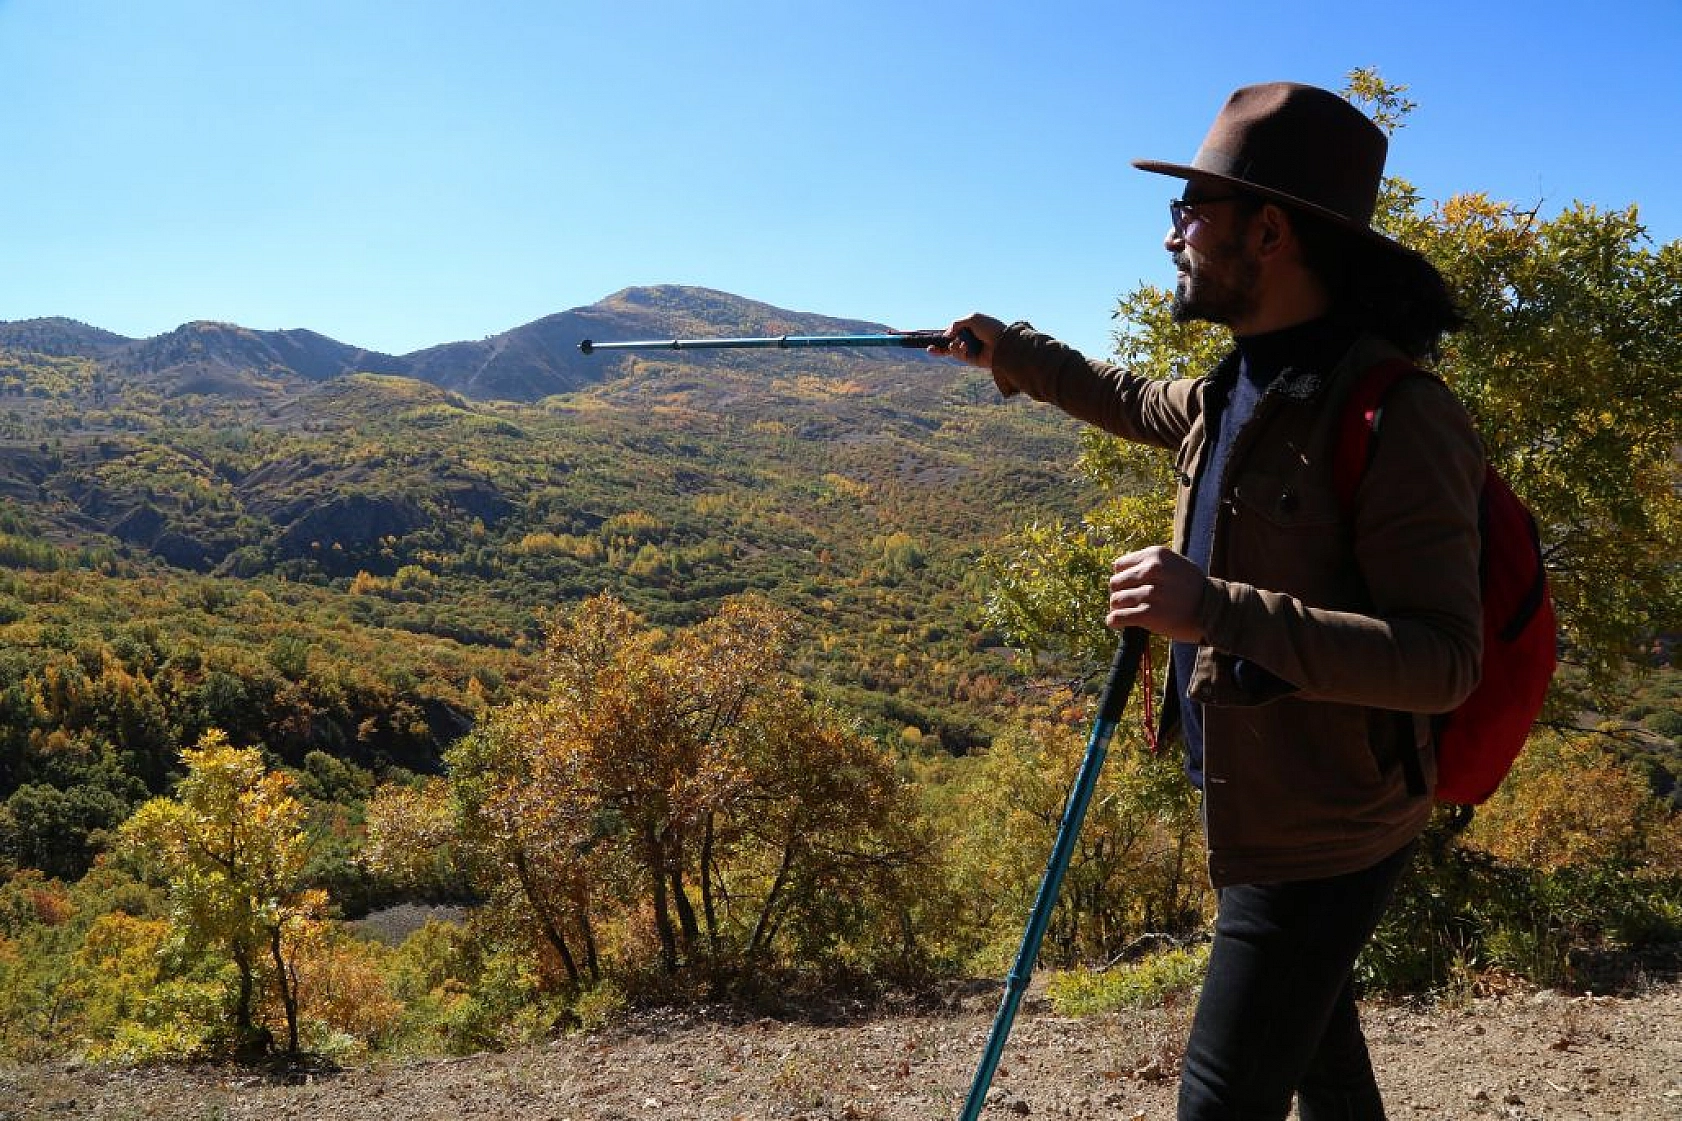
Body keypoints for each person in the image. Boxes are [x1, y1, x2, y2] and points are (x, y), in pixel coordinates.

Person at [938, 82, 1484, 1119]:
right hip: (1258, 799)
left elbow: (1442, 658)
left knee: (1221, 1098)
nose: (1170, 236)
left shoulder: (1398, 415)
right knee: (1323, 1062)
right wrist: (1009, 350)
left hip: (1325, 828)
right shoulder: (1236, 386)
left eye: (1189, 211)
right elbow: (1128, 396)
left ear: (1268, 231)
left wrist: (1217, 609)